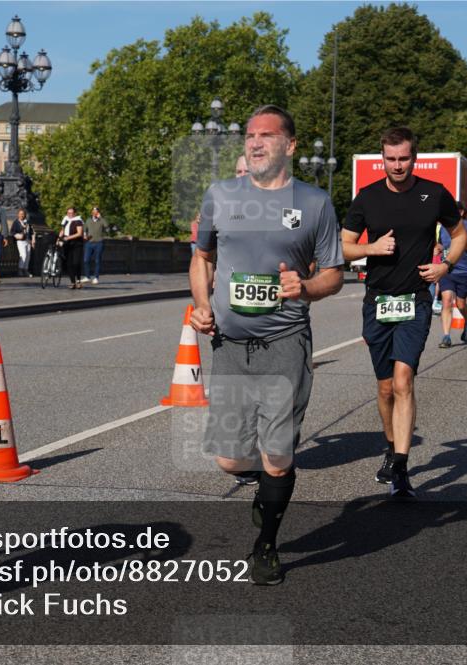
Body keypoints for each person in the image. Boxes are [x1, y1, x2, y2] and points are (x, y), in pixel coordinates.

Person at [191, 105, 343, 585]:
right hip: (231, 345)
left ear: (290, 146)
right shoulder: (220, 195)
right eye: (250, 136)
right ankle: (269, 488)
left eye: (267, 136)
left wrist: (307, 287)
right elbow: (202, 257)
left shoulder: (315, 203)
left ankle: (267, 545)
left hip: (285, 341)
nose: (255, 143)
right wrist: (202, 305)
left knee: (278, 453)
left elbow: (334, 275)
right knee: (231, 459)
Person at [342, 126, 465, 498]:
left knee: (403, 380)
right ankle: (390, 444)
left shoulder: (434, 194)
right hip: (377, 300)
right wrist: (371, 247)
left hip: (416, 300)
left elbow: (458, 235)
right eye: (391, 159)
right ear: (383, 158)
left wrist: (445, 266)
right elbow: (343, 246)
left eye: (404, 158)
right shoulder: (367, 198)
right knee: (383, 387)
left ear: (414, 157)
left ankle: (400, 464)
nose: (397, 165)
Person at [435, 202, 467, 348]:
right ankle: (446, 337)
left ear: (461, 212)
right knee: (447, 300)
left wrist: (464, 245)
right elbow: (442, 245)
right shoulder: (443, 228)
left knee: (461, 304)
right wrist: (438, 248)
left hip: (463, 271)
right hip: (447, 270)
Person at [60, 206, 85, 289]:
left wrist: (68, 237)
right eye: (68, 213)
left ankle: (78, 279)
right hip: (67, 244)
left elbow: (79, 233)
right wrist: (59, 237)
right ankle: (72, 282)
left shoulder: (78, 221)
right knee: (69, 263)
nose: (70, 214)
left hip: (77, 244)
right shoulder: (66, 220)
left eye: (71, 213)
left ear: (75, 213)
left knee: (76, 263)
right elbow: (62, 230)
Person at [83, 206, 109, 284]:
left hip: (99, 243)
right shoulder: (88, 220)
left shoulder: (101, 220)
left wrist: (101, 218)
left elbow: (107, 226)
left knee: (97, 261)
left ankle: (96, 277)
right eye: (93, 211)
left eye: (96, 211)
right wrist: (84, 235)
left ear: (98, 213)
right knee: (86, 260)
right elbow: (84, 228)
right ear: (91, 212)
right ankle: (87, 277)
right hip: (89, 243)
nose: (94, 213)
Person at [10, 208, 33, 277]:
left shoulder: (27, 222)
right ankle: (20, 270)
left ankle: (26, 270)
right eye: (20, 214)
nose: (21, 215)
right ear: (18, 215)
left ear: (25, 215)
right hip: (20, 241)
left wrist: (33, 240)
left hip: (27, 240)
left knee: (28, 256)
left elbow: (31, 231)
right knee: (23, 255)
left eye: (23, 214)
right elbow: (12, 232)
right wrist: (17, 236)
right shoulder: (16, 222)